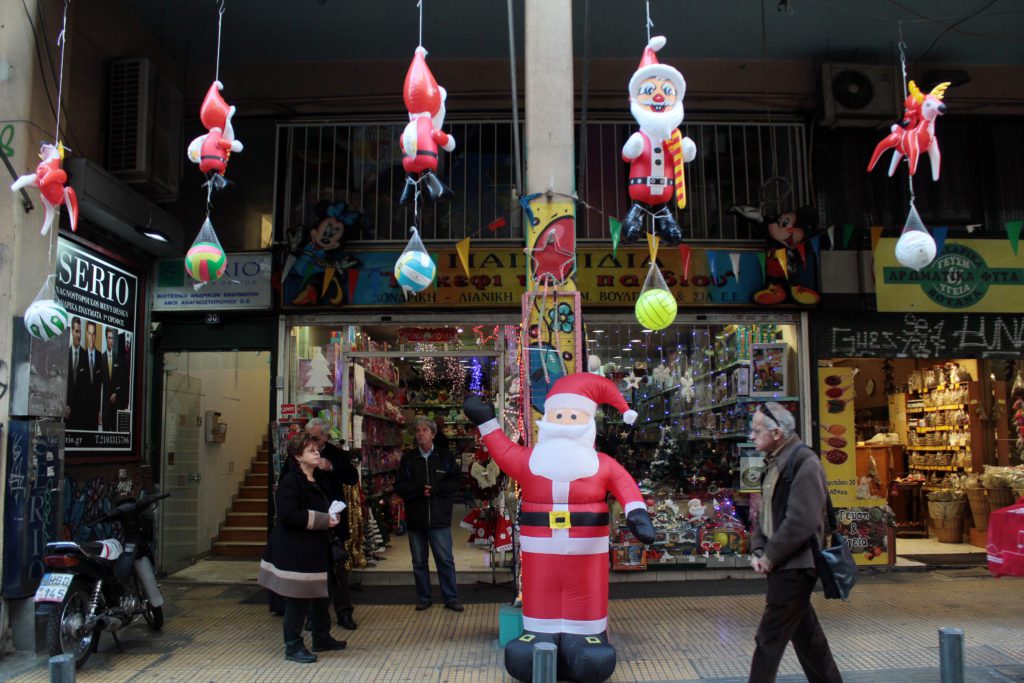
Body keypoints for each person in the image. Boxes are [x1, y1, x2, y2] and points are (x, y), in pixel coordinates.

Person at [462, 374, 656, 683]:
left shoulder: (601, 463)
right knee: (540, 594)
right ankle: (540, 631)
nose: (565, 421)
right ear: (548, 419)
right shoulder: (531, 461)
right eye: (559, 415)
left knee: (588, 599)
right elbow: (503, 451)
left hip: (587, 552)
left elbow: (625, 486)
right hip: (541, 553)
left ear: (588, 421)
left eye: (573, 416)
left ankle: (587, 636)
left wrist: (638, 515)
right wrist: (486, 422)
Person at [747, 402, 843, 683]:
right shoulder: (775, 461)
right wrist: (758, 547)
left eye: (756, 431)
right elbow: (764, 512)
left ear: (776, 432)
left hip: (796, 567)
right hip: (784, 565)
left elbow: (802, 521)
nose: (751, 436)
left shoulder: (804, 463)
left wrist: (770, 555)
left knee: (769, 639)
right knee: (808, 638)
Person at [258, 434, 348, 664]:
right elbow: (288, 515)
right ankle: (293, 646)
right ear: (298, 456)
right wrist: (322, 520)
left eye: (317, 449)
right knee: (297, 600)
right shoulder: (291, 481)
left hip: (315, 548)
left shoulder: (315, 478)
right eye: (310, 450)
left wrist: (330, 517)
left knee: (320, 595)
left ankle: (321, 637)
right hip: (296, 550)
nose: (317, 453)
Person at [393, 416, 463, 612]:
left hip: (439, 518)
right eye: (418, 430)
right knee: (419, 562)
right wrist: (417, 490)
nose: (420, 434)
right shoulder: (409, 458)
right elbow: (399, 485)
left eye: (425, 430)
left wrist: (436, 490)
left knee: (445, 560)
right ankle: (424, 598)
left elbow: (456, 482)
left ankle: (451, 598)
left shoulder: (445, 457)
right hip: (416, 519)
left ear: (433, 434)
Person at [305, 418, 360, 630]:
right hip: (310, 519)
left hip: (334, 520)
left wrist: (331, 467)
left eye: (316, 438)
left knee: (338, 569)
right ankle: (314, 615)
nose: (312, 442)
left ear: (326, 437)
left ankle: (344, 612)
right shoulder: (302, 454)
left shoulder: (336, 454)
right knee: (311, 570)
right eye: (309, 437)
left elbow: (352, 478)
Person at [65, 316, 89, 429]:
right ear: (71, 331)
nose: (79, 336)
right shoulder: (65, 355)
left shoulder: (86, 356)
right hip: (67, 414)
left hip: (82, 416)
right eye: (76, 331)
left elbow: (88, 387)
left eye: (80, 332)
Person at [100, 327, 124, 431]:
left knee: (114, 432)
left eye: (112, 338)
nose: (111, 340)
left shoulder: (118, 358)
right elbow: (98, 385)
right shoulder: (102, 358)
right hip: (105, 407)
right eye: (109, 338)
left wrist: (117, 394)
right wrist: (99, 411)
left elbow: (123, 382)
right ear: (106, 339)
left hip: (115, 407)